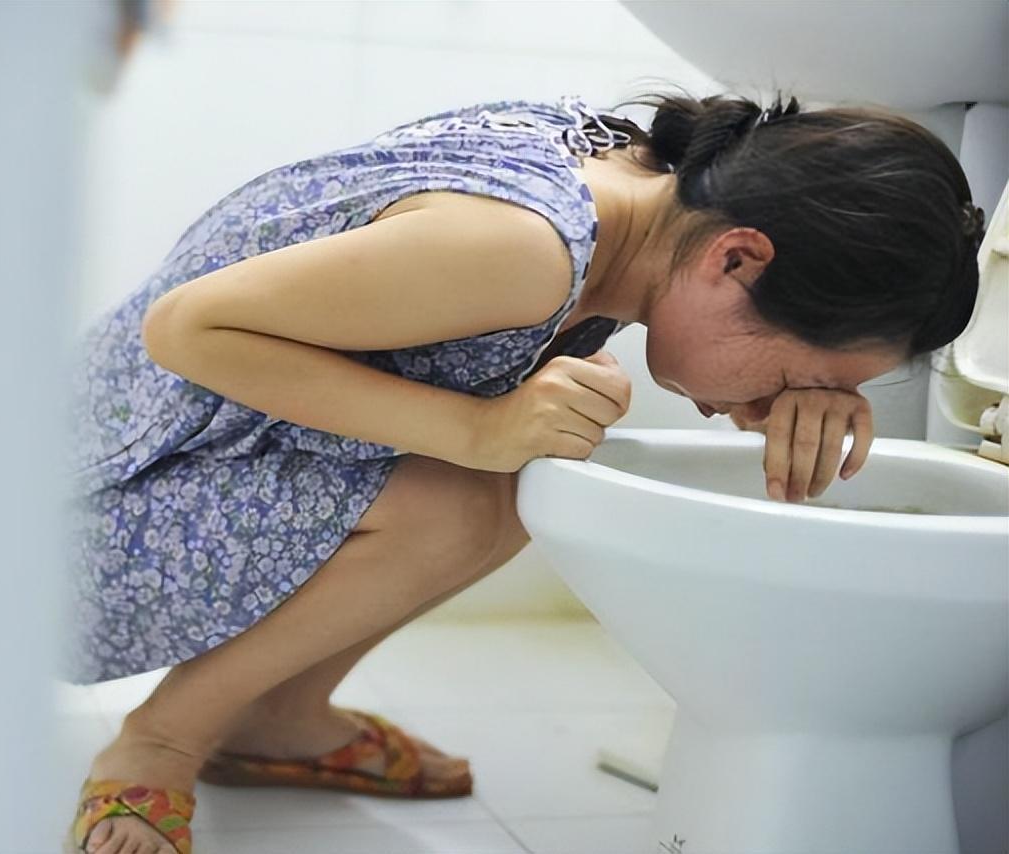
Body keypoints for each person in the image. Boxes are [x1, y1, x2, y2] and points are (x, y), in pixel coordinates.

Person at [63, 87, 986, 854]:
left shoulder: (629, 177)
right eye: (799, 376)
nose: (796, 398)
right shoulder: (525, 252)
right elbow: (188, 330)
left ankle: (277, 720)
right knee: (472, 495)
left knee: (517, 459)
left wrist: (765, 392)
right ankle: (158, 743)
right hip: (79, 537)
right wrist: (479, 430)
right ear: (736, 256)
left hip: (143, 457)